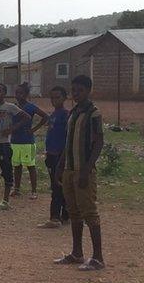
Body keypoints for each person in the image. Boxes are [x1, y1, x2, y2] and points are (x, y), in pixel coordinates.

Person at [53, 75, 105, 271]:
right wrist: (60, 165)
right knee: (73, 212)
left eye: (80, 90)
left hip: (83, 170)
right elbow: (68, 142)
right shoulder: (73, 113)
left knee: (89, 212)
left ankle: (98, 257)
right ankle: (77, 253)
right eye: (73, 90)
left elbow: (99, 142)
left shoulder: (94, 113)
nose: (76, 94)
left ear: (88, 91)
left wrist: (86, 168)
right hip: (68, 169)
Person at [38, 86, 70, 228]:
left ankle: (55, 217)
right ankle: (66, 213)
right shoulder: (54, 114)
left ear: (64, 98)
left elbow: (67, 138)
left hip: (60, 156)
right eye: (52, 97)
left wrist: (62, 156)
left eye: (58, 97)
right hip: (51, 155)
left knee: (57, 186)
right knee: (58, 185)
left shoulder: (66, 115)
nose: (54, 100)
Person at [10, 83, 48, 199]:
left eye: (20, 93)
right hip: (15, 141)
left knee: (30, 166)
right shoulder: (13, 107)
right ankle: (17, 189)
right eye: (16, 93)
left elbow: (45, 116)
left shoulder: (30, 107)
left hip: (27, 141)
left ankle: (34, 191)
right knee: (17, 166)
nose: (18, 95)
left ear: (26, 95)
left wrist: (34, 129)